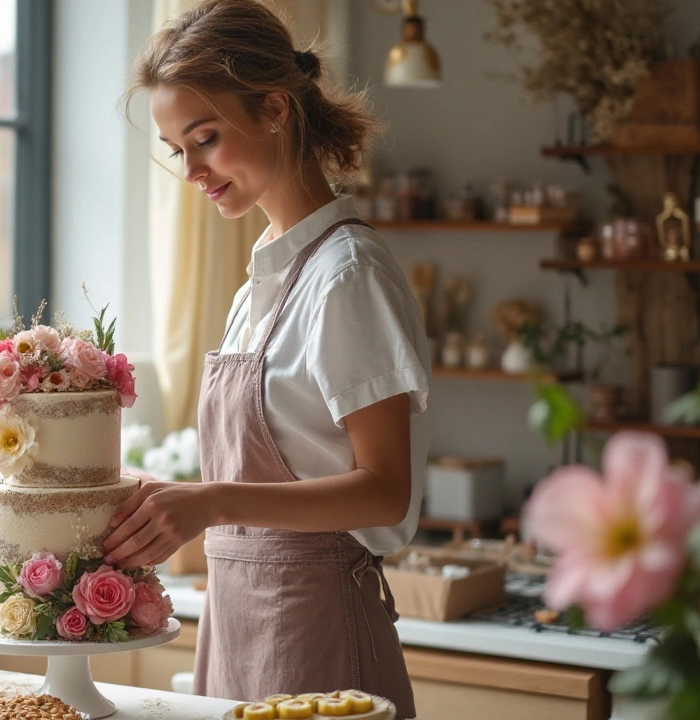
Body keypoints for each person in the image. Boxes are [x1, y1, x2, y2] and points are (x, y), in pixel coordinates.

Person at [104, 0, 430, 715]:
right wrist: (172, 499)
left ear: (276, 110)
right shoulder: (261, 281)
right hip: (236, 632)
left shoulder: (347, 276)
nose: (190, 169)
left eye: (206, 138)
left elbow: (385, 492)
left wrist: (213, 502)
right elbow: (272, 468)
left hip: (319, 639)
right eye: (176, 149)